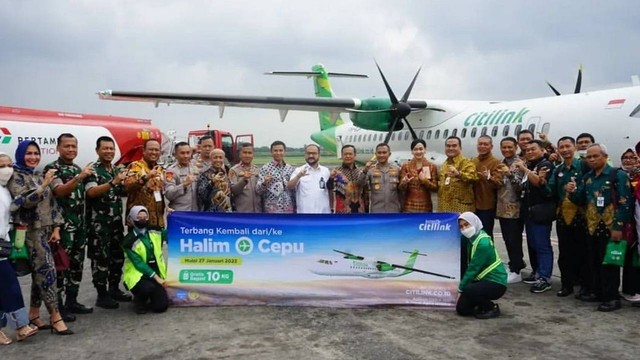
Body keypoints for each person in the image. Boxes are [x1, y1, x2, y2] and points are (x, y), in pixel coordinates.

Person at [7, 140, 73, 335]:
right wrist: (44, 184)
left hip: (46, 231)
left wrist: (56, 228)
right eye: (29, 153)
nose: (33, 157)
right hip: (30, 232)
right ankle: (55, 316)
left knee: (39, 277)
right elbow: (24, 202)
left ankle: (34, 314)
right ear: (20, 154)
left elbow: (52, 204)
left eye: (36, 153)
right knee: (47, 273)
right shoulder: (16, 177)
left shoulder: (36, 175)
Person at [569, 144, 633, 312]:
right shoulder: (588, 177)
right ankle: (596, 292)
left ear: (605, 156)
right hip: (591, 226)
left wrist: (618, 226)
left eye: (595, 156)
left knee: (609, 263)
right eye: (588, 157)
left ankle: (611, 297)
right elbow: (580, 199)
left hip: (610, 226)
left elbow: (625, 203)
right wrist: (571, 191)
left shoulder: (617, 175)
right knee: (593, 261)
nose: (591, 160)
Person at [44, 133, 94, 316]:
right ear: (58, 148)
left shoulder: (77, 169)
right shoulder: (53, 169)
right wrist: (79, 178)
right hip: (62, 229)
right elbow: (59, 191)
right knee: (61, 267)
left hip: (79, 227)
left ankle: (72, 301)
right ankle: (58, 308)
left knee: (76, 265)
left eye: (74, 146)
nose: (71, 149)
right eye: (67, 146)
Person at [85, 136, 131, 310]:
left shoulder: (115, 170)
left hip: (116, 223)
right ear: (97, 150)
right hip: (99, 225)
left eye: (111, 149)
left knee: (117, 257)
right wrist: (113, 182)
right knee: (100, 259)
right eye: (105, 148)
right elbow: (91, 192)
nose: (109, 152)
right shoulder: (93, 170)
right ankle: (101, 294)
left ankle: (114, 289)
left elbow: (123, 190)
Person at [0, 152, 39, 344]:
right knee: (10, 285)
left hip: (5, 242)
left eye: (9, 165)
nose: (6, 170)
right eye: (1, 166)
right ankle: (21, 326)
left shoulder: (5, 190)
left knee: (4, 286)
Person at [545, 137, 589, 298]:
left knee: (583, 252)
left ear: (575, 147)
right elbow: (550, 190)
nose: (565, 150)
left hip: (582, 215)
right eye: (561, 147)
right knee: (564, 253)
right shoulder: (558, 170)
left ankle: (585, 286)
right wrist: (542, 180)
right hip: (563, 216)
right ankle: (566, 285)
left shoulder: (584, 165)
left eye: (567, 146)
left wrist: (576, 190)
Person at [514, 140, 555, 293]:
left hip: (541, 212)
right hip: (529, 212)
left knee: (542, 245)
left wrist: (524, 168)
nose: (529, 152)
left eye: (533, 149)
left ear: (543, 150)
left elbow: (539, 184)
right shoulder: (531, 166)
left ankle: (545, 277)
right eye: (527, 150)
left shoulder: (546, 165)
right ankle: (537, 272)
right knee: (533, 244)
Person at [456, 212, 507, 319]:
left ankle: (491, 307)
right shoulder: (469, 239)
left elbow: (473, 269)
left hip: (496, 282)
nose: (464, 229)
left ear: (474, 223)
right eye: (461, 227)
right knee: (462, 309)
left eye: (467, 225)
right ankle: (478, 302)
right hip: (481, 280)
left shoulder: (483, 243)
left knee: (469, 289)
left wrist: (460, 289)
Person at [122, 206, 168, 314]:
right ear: (132, 219)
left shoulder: (155, 230)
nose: (142, 219)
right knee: (147, 288)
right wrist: (157, 278)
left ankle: (151, 297)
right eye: (139, 216)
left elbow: (172, 234)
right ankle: (139, 301)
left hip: (156, 271)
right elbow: (139, 263)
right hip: (139, 275)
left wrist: (172, 217)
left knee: (161, 307)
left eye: (145, 216)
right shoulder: (128, 241)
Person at [495, 137, 526, 284]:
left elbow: (520, 186)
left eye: (509, 147)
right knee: (507, 239)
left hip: (515, 210)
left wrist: (509, 174)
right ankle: (513, 264)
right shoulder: (501, 164)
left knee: (514, 239)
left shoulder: (520, 163)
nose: (506, 150)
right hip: (502, 209)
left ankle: (517, 269)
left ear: (516, 147)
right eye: (504, 147)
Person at [123, 139, 166, 228]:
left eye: (157, 150)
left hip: (158, 221)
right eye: (151, 149)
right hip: (139, 219)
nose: (154, 152)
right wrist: (146, 177)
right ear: (144, 151)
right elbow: (127, 186)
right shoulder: (135, 166)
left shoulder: (161, 169)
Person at [619, 148, 640, 303]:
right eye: (625, 158)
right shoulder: (617, 175)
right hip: (623, 224)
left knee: (634, 260)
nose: (628, 160)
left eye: (632, 157)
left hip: (636, 223)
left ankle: (634, 290)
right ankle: (626, 289)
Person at [472, 135, 502, 238]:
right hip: (473, 205)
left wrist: (489, 177)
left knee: (486, 235)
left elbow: (499, 183)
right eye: (480, 144)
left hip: (487, 206)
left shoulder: (496, 162)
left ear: (491, 146)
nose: (482, 146)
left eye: (486, 144)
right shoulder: (473, 161)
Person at [437, 136, 477, 213]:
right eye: (448, 146)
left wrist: (459, 174)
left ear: (460, 148)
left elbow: (473, 178)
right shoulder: (444, 165)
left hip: (461, 210)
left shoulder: (467, 162)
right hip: (444, 209)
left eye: (454, 146)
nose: (451, 148)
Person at [357, 143, 401, 213]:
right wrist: (365, 170)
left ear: (389, 154)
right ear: (375, 154)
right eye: (379, 153)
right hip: (377, 211)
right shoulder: (370, 170)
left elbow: (402, 190)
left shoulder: (397, 170)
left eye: (384, 152)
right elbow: (360, 184)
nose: (381, 155)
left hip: (394, 211)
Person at [288, 144, 331, 214]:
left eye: (314, 153)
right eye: (308, 153)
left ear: (319, 155)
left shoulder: (326, 171)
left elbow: (330, 191)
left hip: (323, 214)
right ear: (305, 155)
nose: (311, 156)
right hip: (304, 214)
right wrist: (298, 176)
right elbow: (290, 186)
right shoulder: (298, 170)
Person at [398, 139, 438, 212]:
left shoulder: (432, 166)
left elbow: (435, 188)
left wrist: (425, 181)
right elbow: (400, 188)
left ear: (425, 150)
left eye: (421, 149)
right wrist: (404, 182)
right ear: (412, 151)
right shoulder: (406, 166)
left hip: (425, 207)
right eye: (415, 149)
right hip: (409, 207)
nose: (418, 152)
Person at [256, 141, 296, 213]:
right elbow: (258, 190)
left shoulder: (290, 168)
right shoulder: (265, 168)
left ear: (284, 152)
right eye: (275, 151)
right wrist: (265, 182)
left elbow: (294, 190)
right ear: (271, 152)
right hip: (272, 209)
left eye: (280, 150)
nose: (278, 153)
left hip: (288, 209)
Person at [326, 145, 366, 214]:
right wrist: (331, 178)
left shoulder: (361, 171)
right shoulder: (336, 171)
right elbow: (329, 187)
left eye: (350, 154)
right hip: (342, 211)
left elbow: (366, 191)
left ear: (355, 155)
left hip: (360, 210)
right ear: (342, 156)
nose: (348, 156)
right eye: (345, 154)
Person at [164, 142, 198, 212]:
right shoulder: (171, 171)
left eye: (188, 153)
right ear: (176, 155)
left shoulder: (195, 167)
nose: (186, 156)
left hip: (196, 212)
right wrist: (184, 184)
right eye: (182, 153)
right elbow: (169, 194)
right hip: (180, 213)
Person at [228, 143, 262, 213]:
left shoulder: (258, 170)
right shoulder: (234, 170)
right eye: (244, 153)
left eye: (249, 153)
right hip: (242, 213)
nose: (247, 155)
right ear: (240, 155)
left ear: (253, 155)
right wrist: (244, 180)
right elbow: (234, 191)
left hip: (258, 211)